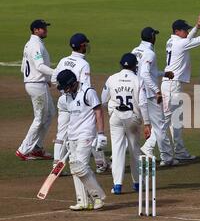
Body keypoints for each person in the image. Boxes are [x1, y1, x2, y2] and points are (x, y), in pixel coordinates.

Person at [51, 33, 110, 174]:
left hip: (64, 100)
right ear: (82, 46)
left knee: (62, 133)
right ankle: (101, 163)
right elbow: (85, 86)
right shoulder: (84, 64)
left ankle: (56, 166)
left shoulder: (63, 60)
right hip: (78, 100)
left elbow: (54, 80)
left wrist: (64, 91)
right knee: (89, 129)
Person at [56, 69, 106, 211]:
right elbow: (70, 118)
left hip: (86, 134)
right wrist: (66, 137)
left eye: (66, 87)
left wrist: (101, 133)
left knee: (81, 167)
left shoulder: (88, 92)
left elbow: (99, 112)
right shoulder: (66, 97)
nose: (65, 90)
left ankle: (98, 197)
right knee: (74, 169)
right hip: (72, 135)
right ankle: (83, 201)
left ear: (72, 83)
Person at [161, 14, 200, 160]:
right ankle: (149, 148)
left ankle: (180, 151)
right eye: (185, 30)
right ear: (177, 31)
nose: (187, 32)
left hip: (170, 84)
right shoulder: (180, 43)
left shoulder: (171, 41)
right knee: (167, 121)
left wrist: (197, 27)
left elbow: (187, 39)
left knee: (175, 120)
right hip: (172, 86)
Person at [102, 53, 151, 194]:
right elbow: (142, 103)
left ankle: (117, 185)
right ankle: (137, 183)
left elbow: (103, 99)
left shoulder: (112, 78)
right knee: (134, 150)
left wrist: (111, 111)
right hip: (132, 118)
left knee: (117, 150)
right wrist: (147, 123)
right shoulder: (138, 80)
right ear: (135, 66)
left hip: (116, 116)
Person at [132, 27, 178, 166]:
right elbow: (145, 74)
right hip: (149, 94)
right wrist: (157, 90)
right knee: (160, 126)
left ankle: (125, 155)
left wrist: (164, 74)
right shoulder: (149, 53)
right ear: (152, 37)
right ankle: (167, 157)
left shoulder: (135, 51)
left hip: (136, 92)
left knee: (132, 125)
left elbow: (144, 72)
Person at [16, 19, 56, 160]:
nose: (45, 30)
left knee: (50, 113)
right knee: (39, 118)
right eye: (43, 28)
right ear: (35, 30)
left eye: (45, 27)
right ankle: (23, 149)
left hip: (37, 83)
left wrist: (45, 79)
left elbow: (23, 68)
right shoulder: (35, 45)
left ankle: (37, 147)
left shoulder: (31, 44)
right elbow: (39, 66)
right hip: (36, 85)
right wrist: (55, 73)